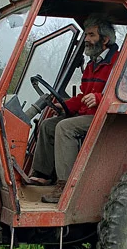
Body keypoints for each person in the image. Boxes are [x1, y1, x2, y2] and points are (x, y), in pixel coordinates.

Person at [29, 18, 119, 203]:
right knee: (47, 125)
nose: (86, 39)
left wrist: (99, 99)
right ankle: (43, 174)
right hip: (87, 114)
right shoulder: (92, 64)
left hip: (105, 118)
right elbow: (84, 95)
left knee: (65, 127)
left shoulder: (118, 63)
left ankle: (65, 187)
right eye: (86, 34)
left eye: (91, 35)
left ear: (105, 40)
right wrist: (66, 105)